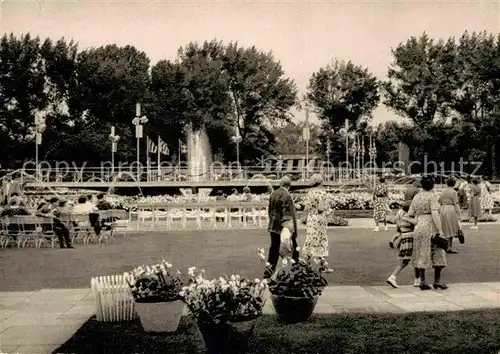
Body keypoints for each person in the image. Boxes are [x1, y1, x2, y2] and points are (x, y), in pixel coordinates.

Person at [409, 175, 447, 290]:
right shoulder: (433, 196)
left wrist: (418, 219)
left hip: (420, 225)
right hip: (431, 225)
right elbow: (435, 213)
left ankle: (422, 281)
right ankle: (437, 280)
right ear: (433, 185)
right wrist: (440, 230)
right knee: (438, 250)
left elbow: (410, 212)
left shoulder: (417, 197)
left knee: (422, 251)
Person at [265, 176, 299, 278]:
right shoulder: (287, 195)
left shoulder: (273, 194)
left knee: (274, 248)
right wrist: (289, 229)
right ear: (289, 185)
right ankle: (297, 269)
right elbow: (287, 213)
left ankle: (269, 270)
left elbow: (270, 211)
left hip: (273, 226)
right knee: (294, 248)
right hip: (284, 226)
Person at [303, 174, 333, 273]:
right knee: (321, 240)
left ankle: (306, 264)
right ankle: (323, 265)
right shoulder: (322, 193)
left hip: (311, 218)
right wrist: (328, 208)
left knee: (310, 240)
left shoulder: (310, 192)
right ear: (321, 182)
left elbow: (306, 207)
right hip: (319, 219)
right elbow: (320, 209)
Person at [387, 204, 418, 288]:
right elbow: (416, 222)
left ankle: (393, 276)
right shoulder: (407, 216)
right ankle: (417, 279)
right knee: (416, 258)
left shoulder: (399, 214)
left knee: (406, 260)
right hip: (411, 235)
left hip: (404, 235)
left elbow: (397, 223)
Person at [390, 178, 421, 248]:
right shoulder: (417, 190)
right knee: (410, 227)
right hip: (411, 207)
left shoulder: (408, 189)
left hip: (405, 205)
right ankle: (403, 243)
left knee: (402, 229)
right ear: (416, 183)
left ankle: (397, 241)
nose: (420, 184)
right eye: (419, 182)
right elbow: (416, 199)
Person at [439, 178, 462, 254]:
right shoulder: (453, 192)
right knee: (451, 228)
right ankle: (449, 247)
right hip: (451, 209)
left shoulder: (443, 191)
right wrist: (459, 214)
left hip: (443, 208)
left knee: (444, 227)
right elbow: (456, 203)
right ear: (454, 184)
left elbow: (439, 201)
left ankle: (444, 246)